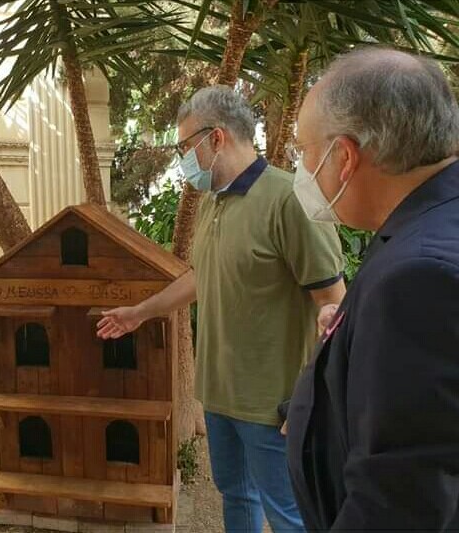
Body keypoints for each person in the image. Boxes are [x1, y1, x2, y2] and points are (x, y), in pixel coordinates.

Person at [97, 86, 346, 533]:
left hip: (275, 406)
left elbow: (334, 304)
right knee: (236, 497)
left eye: (184, 146)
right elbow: (201, 275)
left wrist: (316, 399)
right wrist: (141, 312)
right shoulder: (213, 200)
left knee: (288, 514)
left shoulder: (290, 200)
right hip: (220, 395)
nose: (182, 159)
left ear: (216, 138)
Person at [286, 47, 459, 531]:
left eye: (303, 151)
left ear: (344, 156)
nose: (302, 168)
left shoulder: (419, 277)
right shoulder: (427, 223)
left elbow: (400, 497)